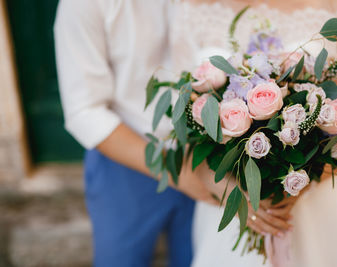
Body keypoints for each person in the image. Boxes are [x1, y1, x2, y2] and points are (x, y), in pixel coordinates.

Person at [54, 0, 292, 266]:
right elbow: (84, 111)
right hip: (128, 161)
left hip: (213, 156)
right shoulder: (84, 5)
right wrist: (178, 173)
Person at [165, 0, 337, 266]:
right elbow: (180, 130)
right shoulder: (192, 7)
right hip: (230, 203)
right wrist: (229, 190)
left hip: (315, 202)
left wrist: (304, 179)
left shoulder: (335, 5)